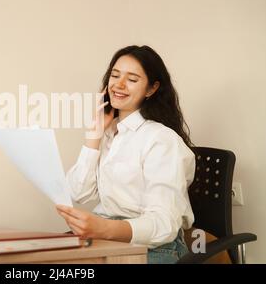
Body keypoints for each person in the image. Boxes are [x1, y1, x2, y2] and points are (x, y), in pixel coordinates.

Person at [56, 45, 195, 264]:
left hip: (155, 247)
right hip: (107, 239)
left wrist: (105, 228)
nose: (118, 85)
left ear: (151, 89)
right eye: (115, 75)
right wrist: (94, 136)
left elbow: (164, 224)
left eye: (132, 79)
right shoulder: (111, 133)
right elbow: (78, 192)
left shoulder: (161, 140)